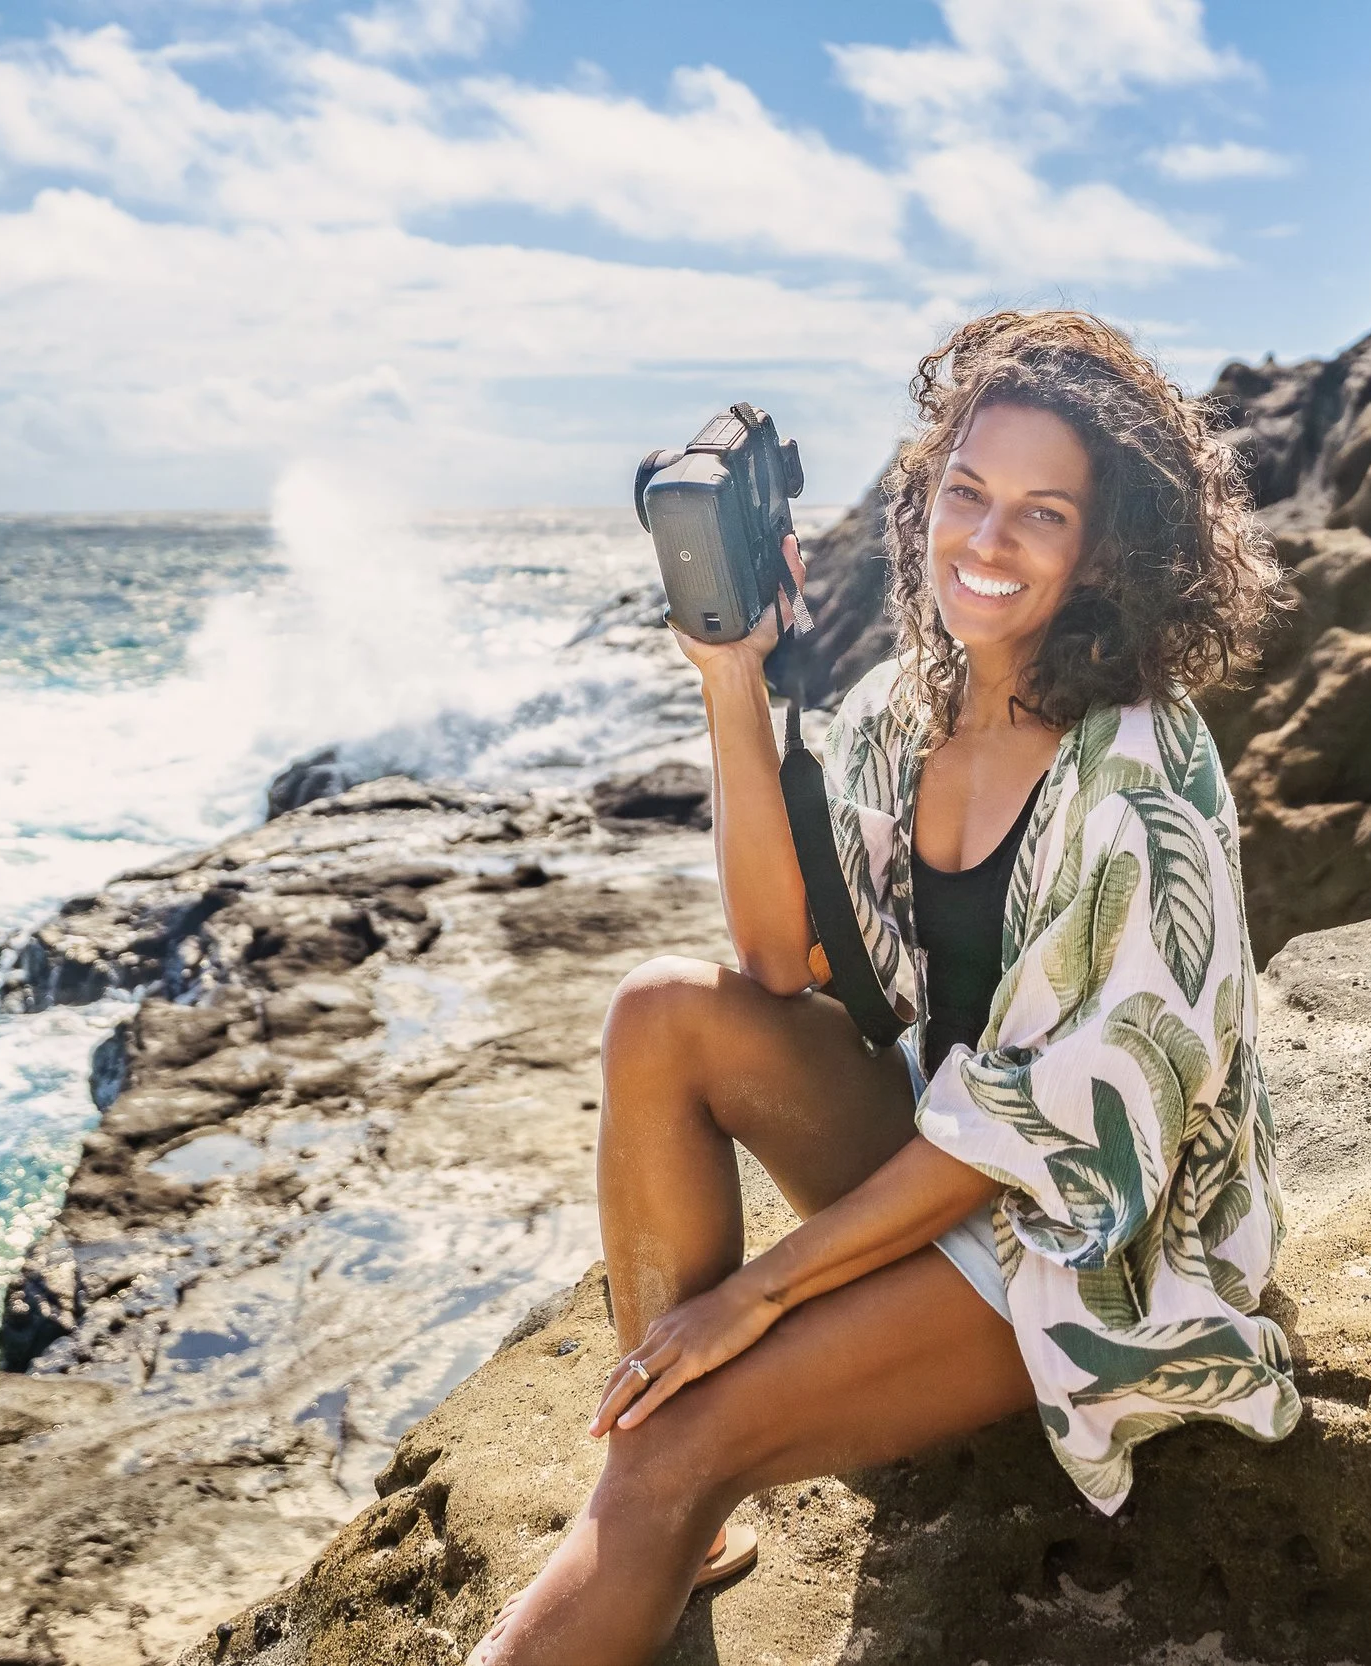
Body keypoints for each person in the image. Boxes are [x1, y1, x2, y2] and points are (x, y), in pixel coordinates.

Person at [470, 310, 1298, 1665]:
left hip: (1083, 1237)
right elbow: (775, 966)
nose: (988, 538)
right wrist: (731, 685)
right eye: (967, 492)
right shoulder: (906, 711)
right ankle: (667, 1491)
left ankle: (668, 1481)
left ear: (1105, 547)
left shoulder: (1140, 771)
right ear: (923, 498)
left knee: (685, 1442)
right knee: (658, 1014)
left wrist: (762, 1293)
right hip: (938, 1150)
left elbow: (1048, 1134)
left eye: (1043, 511)